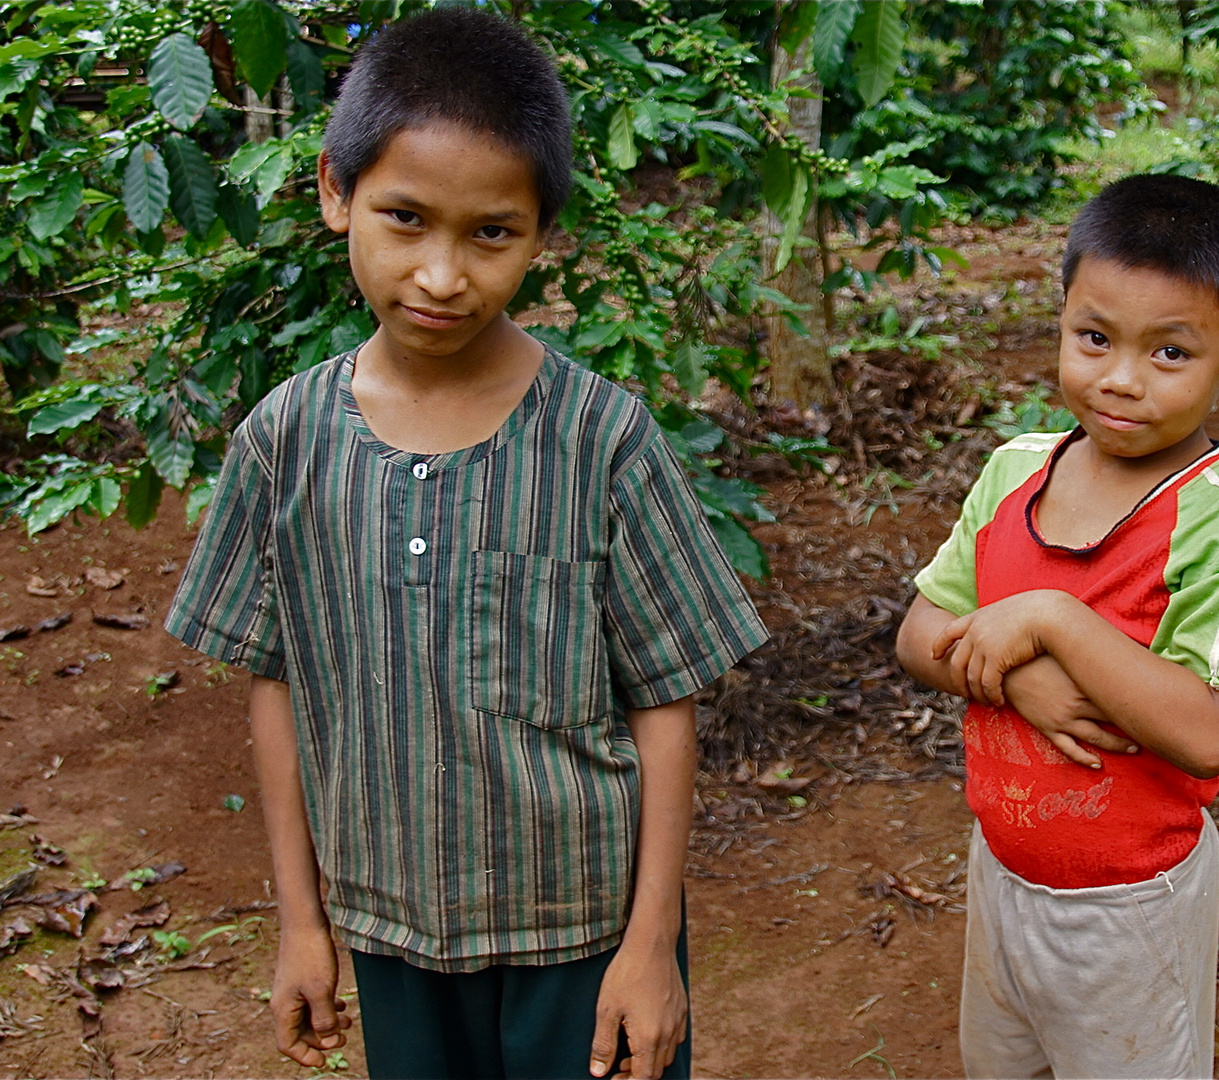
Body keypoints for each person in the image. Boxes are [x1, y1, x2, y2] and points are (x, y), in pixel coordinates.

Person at [164, 9, 767, 1079]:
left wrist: (648, 949)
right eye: (405, 218)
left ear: (542, 234)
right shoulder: (283, 443)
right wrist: (303, 924)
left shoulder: (601, 438)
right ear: (334, 190)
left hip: (582, 936)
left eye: (491, 233)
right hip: (389, 934)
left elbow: (665, 702)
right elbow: (275, 681)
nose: (442, 275)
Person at [896, 174, 1219, 1079]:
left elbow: (1207, 730)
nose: (1119, 379)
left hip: (1131, 903)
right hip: (1001, 865)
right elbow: (921, 633)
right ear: (1063, 321)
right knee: (1001, 1063)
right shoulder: (1015, 474)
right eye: (1094, 338)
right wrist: (1020, 678)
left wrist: (1050, 617)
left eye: (1170, 353)